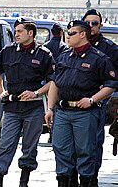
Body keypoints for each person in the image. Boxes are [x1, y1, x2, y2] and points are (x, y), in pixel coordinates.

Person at [44, 20, 118, 187]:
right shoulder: (64, 56)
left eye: (71, 33)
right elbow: (55, 83)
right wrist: (49, 108)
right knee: (61, 150)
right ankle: (64, 183)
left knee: (85, 152)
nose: (67, 37)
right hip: (62, 111)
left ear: (83, 34)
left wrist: (92, 99)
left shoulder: (98, 58)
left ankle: (86, 182)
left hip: (85, 112)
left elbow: (111, 84)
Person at [0, 17, 54, 187]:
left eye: (19, 31)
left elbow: (53, 81)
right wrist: (1, 91)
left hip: (33, 108)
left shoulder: (44, 54)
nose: (16, 34)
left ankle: (24, 181)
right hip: (12, 107)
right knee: (5, 144)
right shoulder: (8, 51)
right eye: (15, 31)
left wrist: (35, 93)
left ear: (30, 33)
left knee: (29, 146)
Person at [82, 9, 118, 186]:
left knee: (94, 142)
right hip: (75, 100)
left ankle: (91, 177)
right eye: (87, 22)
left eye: (94, 23)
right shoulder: (73, 45)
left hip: (99, 101)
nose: (91, 26)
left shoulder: (110, 48)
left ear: (100, 25)